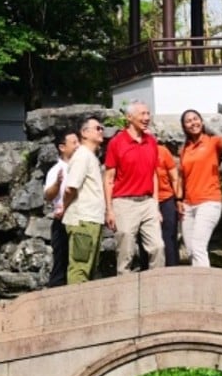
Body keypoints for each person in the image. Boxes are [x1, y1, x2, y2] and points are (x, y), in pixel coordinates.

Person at [104, 101, 165, 273]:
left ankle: (155, 288)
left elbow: (153, 174)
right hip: (124, 202)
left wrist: (156, 205)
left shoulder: (151, 141)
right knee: (126, 252)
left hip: (147, 202)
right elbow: (109, 178)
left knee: (158, 247)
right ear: (129, 117)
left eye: (148, 113)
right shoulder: (117, 142)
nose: (146, 118)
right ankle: (124, 289)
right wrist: (109, 209)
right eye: (142, 114)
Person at [178, 105, 222, 267]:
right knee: (191, 251)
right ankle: (197, 287)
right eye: (188, 121)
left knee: (198, 247)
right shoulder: (184, 149)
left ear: (201, 121)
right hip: (188, 205)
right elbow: (181, 177)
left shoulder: (212, 142)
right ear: (184, 126)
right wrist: (179, 200)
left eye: (195, 119)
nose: (193, 123)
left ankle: (205, 289)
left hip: (209, 201)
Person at [63, 117, 107, 284]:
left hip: (92, 219)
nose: (101, 131)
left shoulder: (90, 156)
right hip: (83, 220)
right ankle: (75, 308)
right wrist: (64, 207)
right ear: (84, 133)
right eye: (97, 128)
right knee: (80, 269)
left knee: (89, 268)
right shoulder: (82, 156)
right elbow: (71, 188)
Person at [43, 129, 79, 287]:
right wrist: (58, 183)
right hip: (62, 220)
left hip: (79, 217)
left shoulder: (82, 165)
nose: (78, 146)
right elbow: (48, 195)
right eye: (74, 143)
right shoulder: (56, 170)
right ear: (62, 147)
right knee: (61, 260)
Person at [155, 144, 182, 267]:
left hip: (166, 199)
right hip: (147, 201)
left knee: (169, 237)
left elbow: (175, 177)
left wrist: (178, 199)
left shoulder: (162, 151)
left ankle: (173, 270)